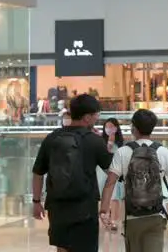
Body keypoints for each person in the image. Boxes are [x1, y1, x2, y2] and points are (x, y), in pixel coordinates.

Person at [101, 109, 168, 252]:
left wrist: (104, 211)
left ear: (133, 128)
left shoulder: (123, 152)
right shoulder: (163, 152)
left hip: (132, 219)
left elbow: (110, 183)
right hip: (155, 217)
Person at [32, 94, 114, 252]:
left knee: (62, 248)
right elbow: (111, 171)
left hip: (57, 206)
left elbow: (38, 172)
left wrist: (36, 202)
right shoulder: (94, 141)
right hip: (85, 207)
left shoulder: (52, 138)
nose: (97, 118)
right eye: (96, 115)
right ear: (87, 117)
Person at [100, 118, 125, 219]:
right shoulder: (101, 141)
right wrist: (109, 143)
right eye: (107, 127)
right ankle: (105, 217)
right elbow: (103, 155)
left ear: (116, 128)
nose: (109, 129)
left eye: (111, 126)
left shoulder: (121, 143)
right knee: (105, 194)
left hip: (117, 173)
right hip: (104, 173)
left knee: (116, 196)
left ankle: (115, 219)